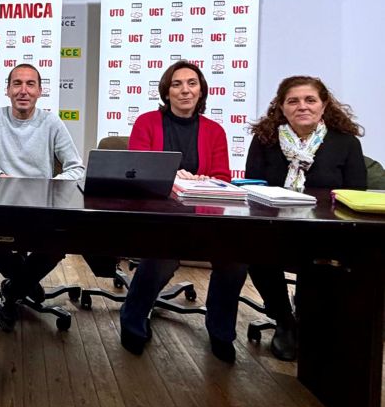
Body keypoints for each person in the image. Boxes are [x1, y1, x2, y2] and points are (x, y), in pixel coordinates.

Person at [120, 60, 247, 363]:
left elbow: (222, 178)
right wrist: (176, 177)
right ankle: (133, 320)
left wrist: (205, 180)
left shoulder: (214, 130)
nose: (184, 90)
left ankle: (221, 332)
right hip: (159, 215)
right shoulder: (147, 122)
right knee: (160, 257)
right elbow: (139, 171)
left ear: (201, 90)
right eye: (176, 84)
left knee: (235, 261)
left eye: (191, 83)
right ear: (167, 91)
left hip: (204, 216)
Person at [245, 75, 366, 361]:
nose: (302, 106)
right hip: (277, 229)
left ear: (324, 105)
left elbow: (356, 193)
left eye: (310, 100)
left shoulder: (345, 142)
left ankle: (312, 318)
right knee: (255, 255)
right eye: (293, 101)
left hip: (327, 232)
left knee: (334, 260)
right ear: (282, 107)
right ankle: (285, 321)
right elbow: (252, 188)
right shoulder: (265, 139)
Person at [0, 63, 85, 332]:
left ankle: (14, 290)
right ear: (7, 90)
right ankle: (25, 282)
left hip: (40, 205)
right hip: (0, 202)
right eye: (17, 84)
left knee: (60, 237)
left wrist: (50, 187)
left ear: (40, 91)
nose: (23, 90)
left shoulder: (51, 122)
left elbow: (76, 168)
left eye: (30, 84)